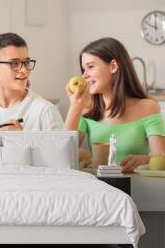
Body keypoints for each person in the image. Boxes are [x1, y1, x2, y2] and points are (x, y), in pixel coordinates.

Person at [64, 37, 165, 173]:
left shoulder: (147, 107)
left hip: (136, 186)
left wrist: (145, 159)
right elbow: (62, 153)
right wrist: (75, 106)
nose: (84, 75)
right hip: (99, 186)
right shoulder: (86, 108)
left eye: (91, 67)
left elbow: (161, 157)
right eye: (83, 69)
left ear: (113, 66)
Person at [0, 32, 64, 130]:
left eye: (26, 62)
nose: (24, 70)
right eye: (14, 63)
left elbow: (62, 150)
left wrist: (22, 139)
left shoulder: (46, 112)